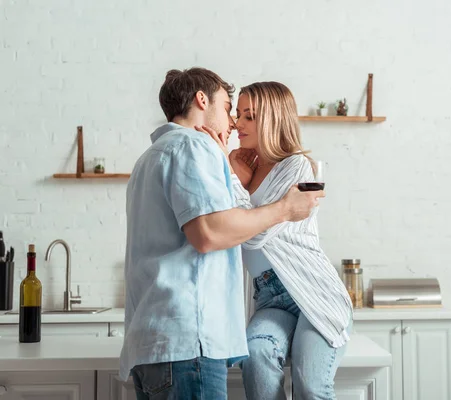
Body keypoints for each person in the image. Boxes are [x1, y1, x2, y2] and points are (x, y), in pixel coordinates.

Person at [119, 68, 324, 400]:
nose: (232, 123)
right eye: (228, 107)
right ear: (202, 99)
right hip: (188, 344)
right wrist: (284, 209)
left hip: (151, 347)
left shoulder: (150, 158)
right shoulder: (192, 146)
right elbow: (209, 233)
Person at [228, 81, 353, 400]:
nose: (237, 124)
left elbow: (253, 235)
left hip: (314, 294)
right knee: (255, 354)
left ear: (272, 119)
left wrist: (237, 184)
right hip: (270, 296)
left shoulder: (295, 166)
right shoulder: (246, 169)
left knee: (310, 385)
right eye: (237, 114)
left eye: (249, 116)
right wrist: (240, 179)